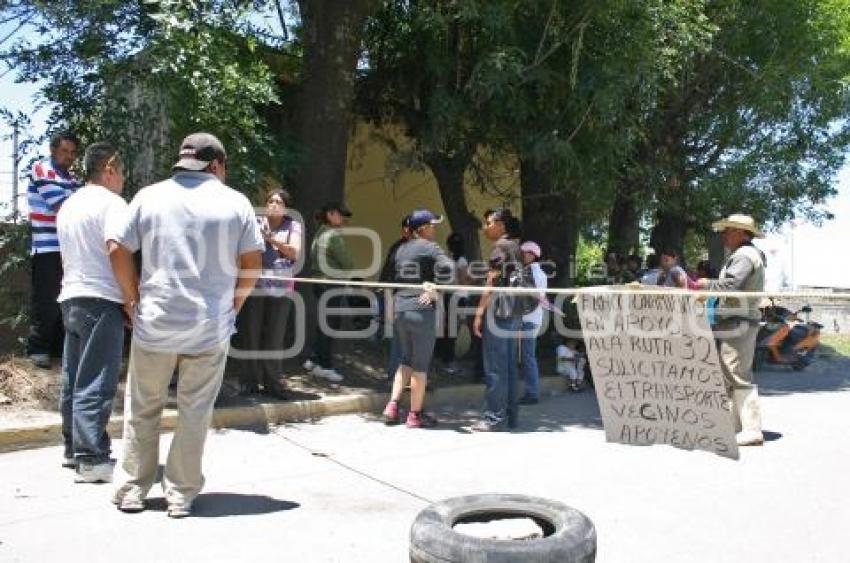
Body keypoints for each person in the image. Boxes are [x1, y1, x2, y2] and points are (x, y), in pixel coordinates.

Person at [110, 133, 263, 517]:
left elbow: (116, 248)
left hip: (156, 321)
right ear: (216, 165)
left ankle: (132, 488)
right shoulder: (236, 203)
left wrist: (131, 297)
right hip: (209, 326)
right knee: (195, 410)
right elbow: (252, 263)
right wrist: (234, 305)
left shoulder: (150, 195)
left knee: (143, 407)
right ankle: (180, 494)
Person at [55, 143, 128, 481]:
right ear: (110, 169)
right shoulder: (112, 204)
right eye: (122, 172)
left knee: (73, 378)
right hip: (101, 298)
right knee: (97, 380)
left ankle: (73, 448)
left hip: (71, 296)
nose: (123, 180)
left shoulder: (69, 204)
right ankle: (92, 457)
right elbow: (117, 250)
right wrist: (131, 298)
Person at [694, 214, 766, 446]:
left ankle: (752, 428)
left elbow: (733, 284)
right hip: (735, 319)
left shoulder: (745, 255)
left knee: (736, 374)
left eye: (728, 230)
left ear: (741, 233)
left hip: (739, 320)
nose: (724, 235)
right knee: (729, 373)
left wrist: (706, 284)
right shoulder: (744, 254)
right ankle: (734, 425)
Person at [381, 209, 454, 428]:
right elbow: (449, 268)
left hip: (400, 309)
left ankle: (392, 406)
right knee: (421, 366)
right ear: (422, 229)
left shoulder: (401, 249)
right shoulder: (430, 247)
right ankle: (415, 415)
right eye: (432, 225)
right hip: (421, 311)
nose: (435, 229)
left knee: (406, 360)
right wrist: (436, 289)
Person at [236, 188, 302, 398]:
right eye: (270, 201)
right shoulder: (255, 222)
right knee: (251, 333)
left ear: (286, 207)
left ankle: (273, 383)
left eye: (279, 202)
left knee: (274, 336)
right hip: (254, 284)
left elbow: (294, 251)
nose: (273, 205)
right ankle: (248, 382)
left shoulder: (293, 226)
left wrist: (270, 239)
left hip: (281, 287)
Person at [26, 131, 83, 368]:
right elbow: (63, 206)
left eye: (72, 152)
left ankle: (59, 352)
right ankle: (38, 349)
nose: (68, 156)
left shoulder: (72, 178)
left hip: (69, 249)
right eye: (64, 151)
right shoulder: (42, 169)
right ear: (53, 150)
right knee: (47, 301)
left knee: (66, 301)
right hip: (47, 247)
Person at [470, 208, 524, 431]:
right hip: (514, 312)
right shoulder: (516, 246)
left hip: (499, 311)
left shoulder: (500, 247)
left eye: (488, 223)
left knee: (495, 367)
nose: (485, 227)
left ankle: (495, 418)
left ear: (501, 225)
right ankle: (511, 416)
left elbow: (490, 284)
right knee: (509, 367)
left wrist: (479, 313)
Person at [304, 202, 354, 382]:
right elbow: (348, 262)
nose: (344, 219)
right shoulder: (333, 235)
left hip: (320, 283)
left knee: (325, 323)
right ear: (331, 214)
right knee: (330, 325)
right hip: (331, 284)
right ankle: (324, 366)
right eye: (341, 215)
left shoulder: (320, 233)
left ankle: (314, 359)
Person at [434, 232, 472, 375]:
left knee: (445, 328)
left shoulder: (447, 259)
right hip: (458, 297)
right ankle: (448, 361)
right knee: (452, 330)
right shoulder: (461, 260)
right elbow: (463, 280)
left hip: (448, 295)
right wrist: (472, 278)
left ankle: (440, 357)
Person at [381, 215, 412, 381]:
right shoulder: (399, 249)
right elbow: (389, 278)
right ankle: (396, 377)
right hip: (399, 299)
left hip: (408, 300)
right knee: (400, 342)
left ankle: (406, 379)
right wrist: (389, 303)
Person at [517, 241, 547, 405]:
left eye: (525, 253)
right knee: (527, 356)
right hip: (530, 318)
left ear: (532, 255)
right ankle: (531, 391)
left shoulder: (534, 274)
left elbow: (533, 298)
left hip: (528, 319)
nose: (523, 255)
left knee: (528, 356)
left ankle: (532, 392)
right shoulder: (533, 272)